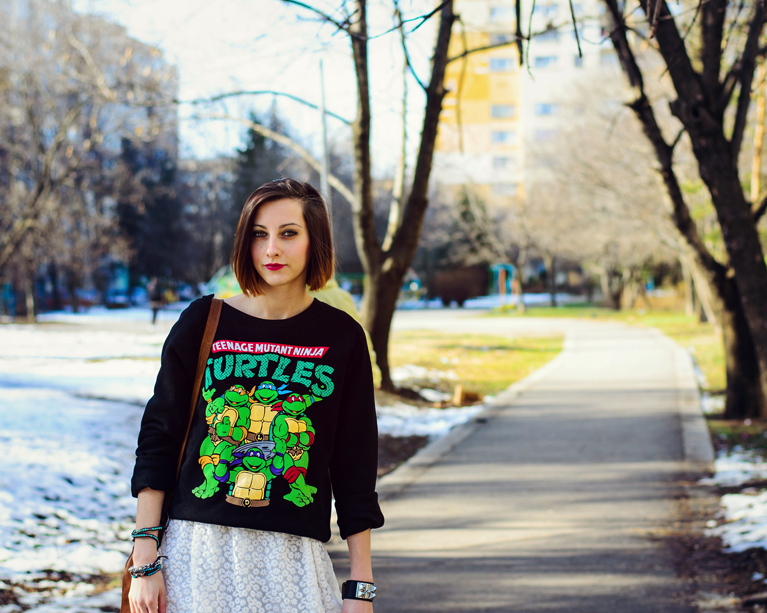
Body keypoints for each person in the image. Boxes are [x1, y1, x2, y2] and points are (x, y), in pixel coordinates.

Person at [128, 178, 384, 613]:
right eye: (259, 235)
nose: (271, 250)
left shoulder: (342, 337)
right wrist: (144, 558)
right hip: (196, 555)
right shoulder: (203, 322)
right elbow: (159, 438)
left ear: (315, 240)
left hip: (293, 563)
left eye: (289, 233)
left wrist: (361, 586)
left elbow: (355, 465)